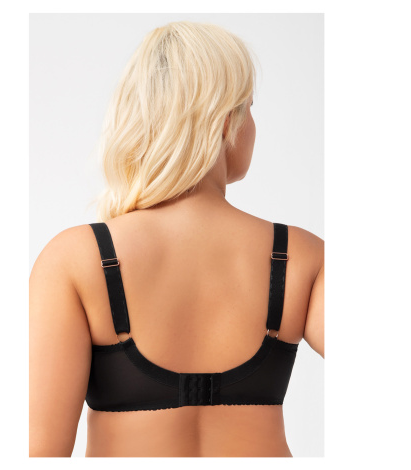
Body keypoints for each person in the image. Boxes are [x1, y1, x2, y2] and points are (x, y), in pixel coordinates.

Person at [29, 20, 324, 457]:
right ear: (226, 121)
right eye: (249, 107)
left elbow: (39, 454)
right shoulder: (301, 257)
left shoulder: (74, 260)